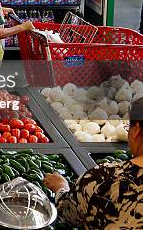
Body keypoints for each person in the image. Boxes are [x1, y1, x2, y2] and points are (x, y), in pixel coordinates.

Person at [44, 97, 143, 229]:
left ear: (136, 130)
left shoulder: (104, 178)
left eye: (128, 126)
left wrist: (61, 188)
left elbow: (70, 213)